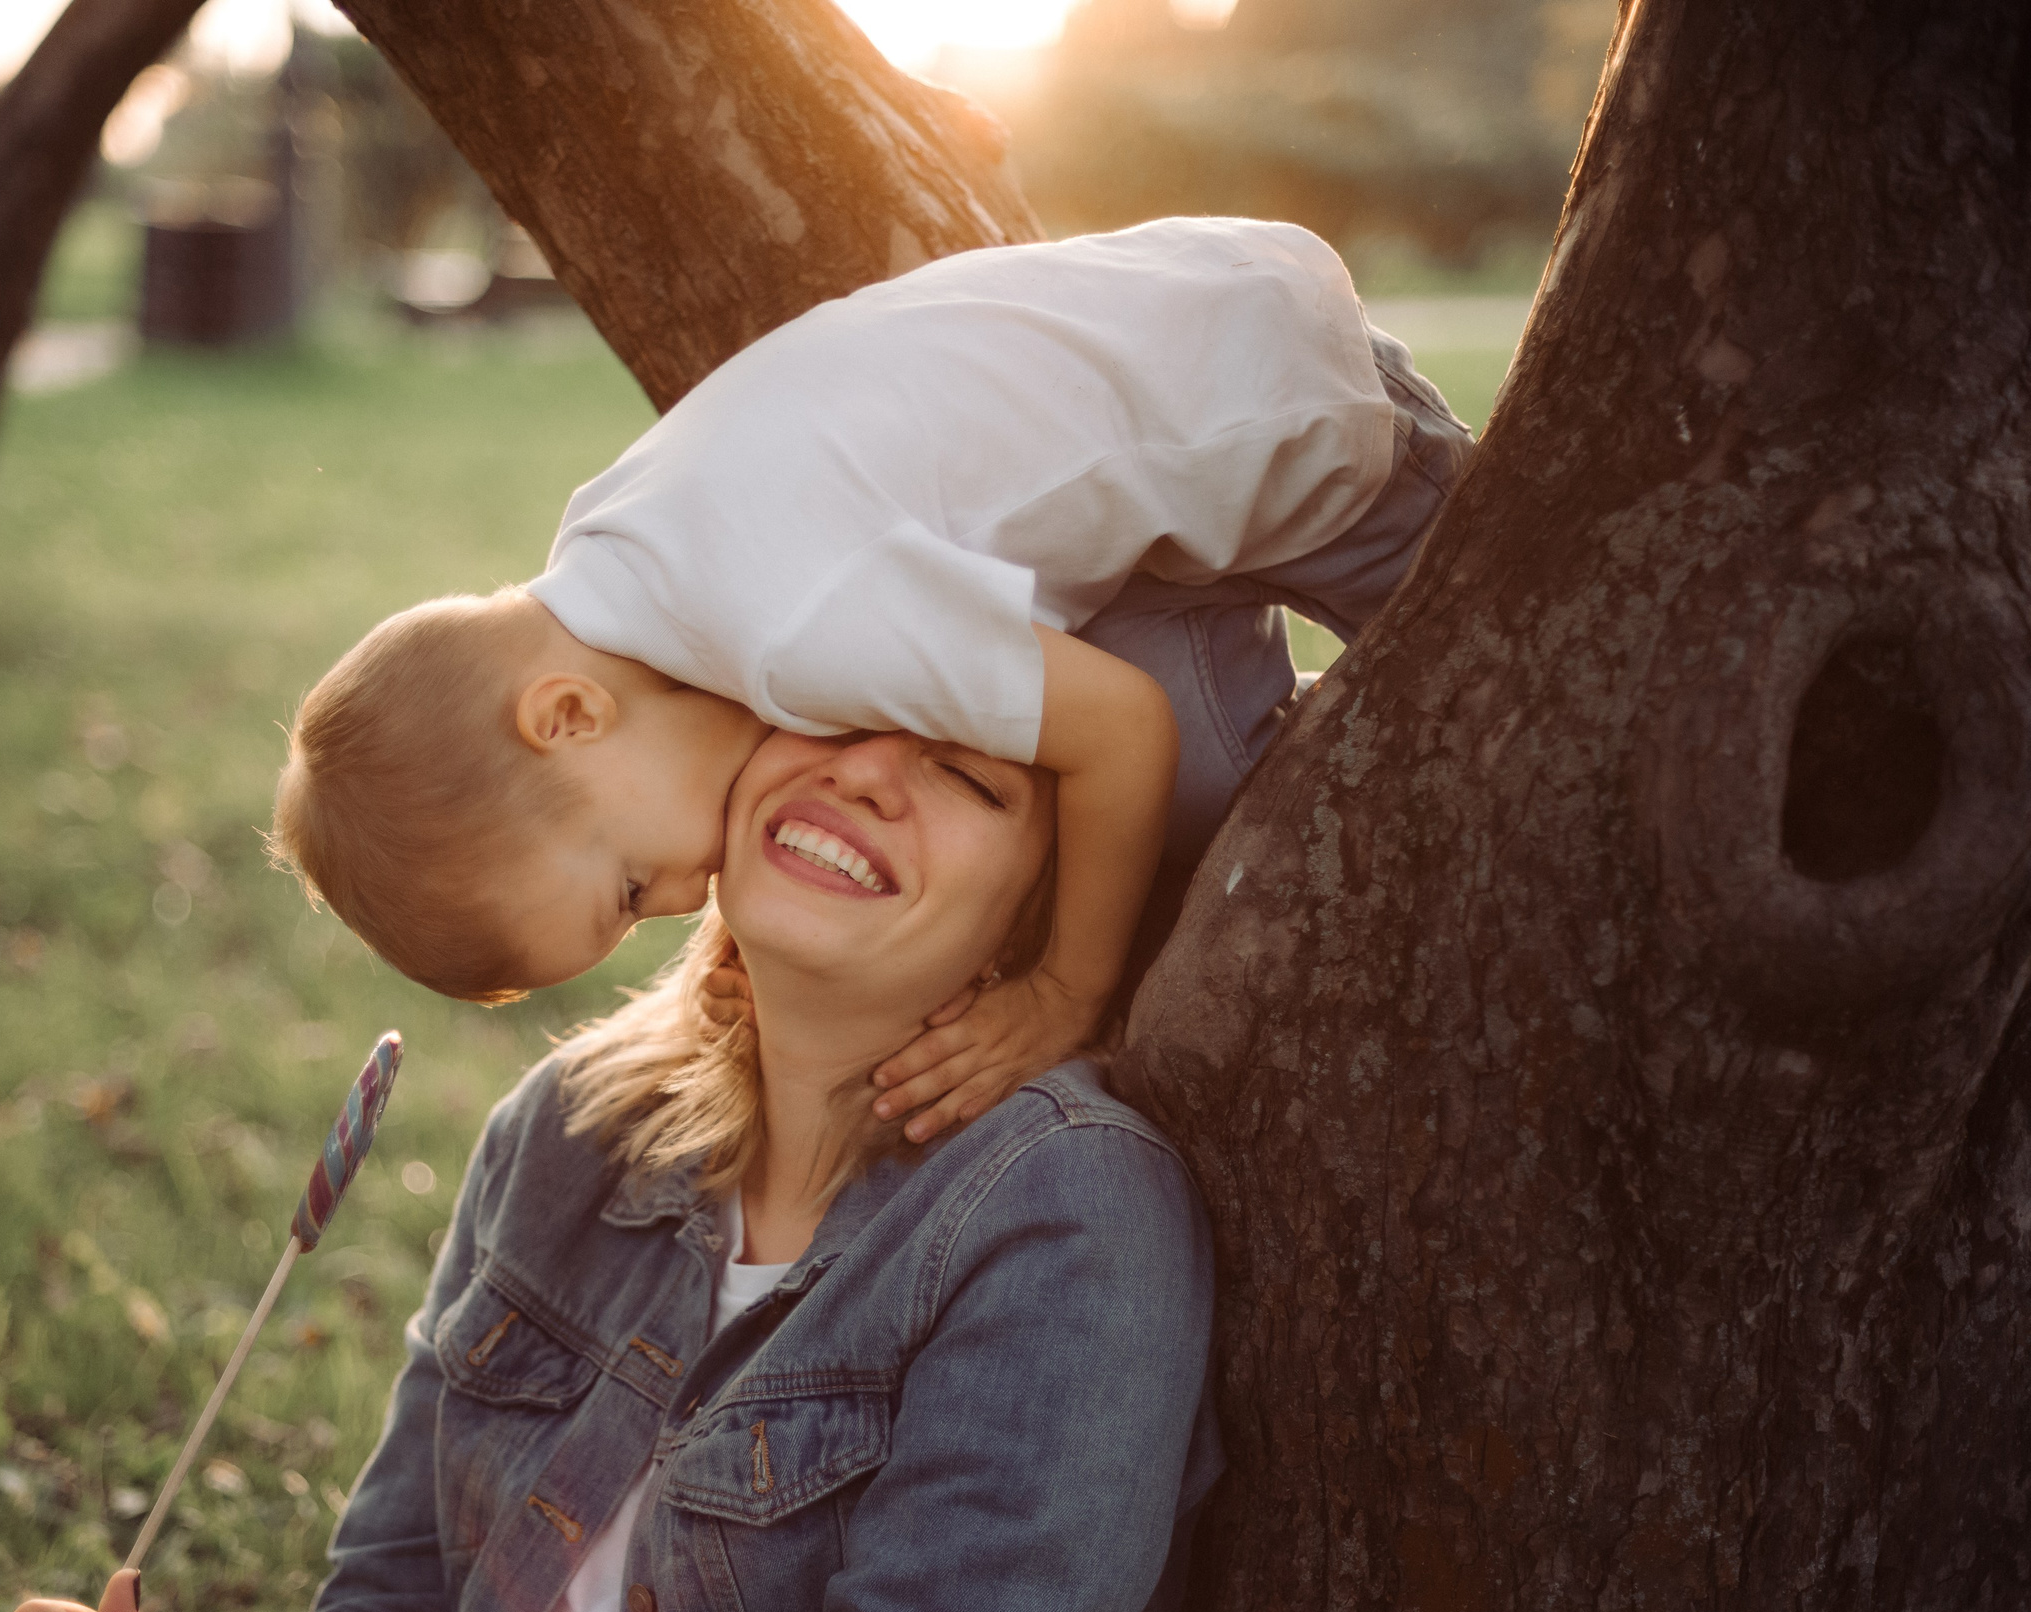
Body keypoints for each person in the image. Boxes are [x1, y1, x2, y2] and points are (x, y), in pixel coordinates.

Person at [0, 724, 1222, 1612]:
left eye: (971, 775)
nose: (869, 772)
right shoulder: (572, 1126)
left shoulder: (1061, 1210)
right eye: (835, 707)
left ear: (1042, 920)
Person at [272, 215, 1473, 1146]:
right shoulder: (615, 554)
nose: (691, 894)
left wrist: (1064, 992)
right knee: (1200, 796)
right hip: (1160, 428)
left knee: (1473, 737)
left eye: (635, 886)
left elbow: (1119, 729)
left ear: (568, 715)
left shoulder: (791, 624)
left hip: (1289, 416)